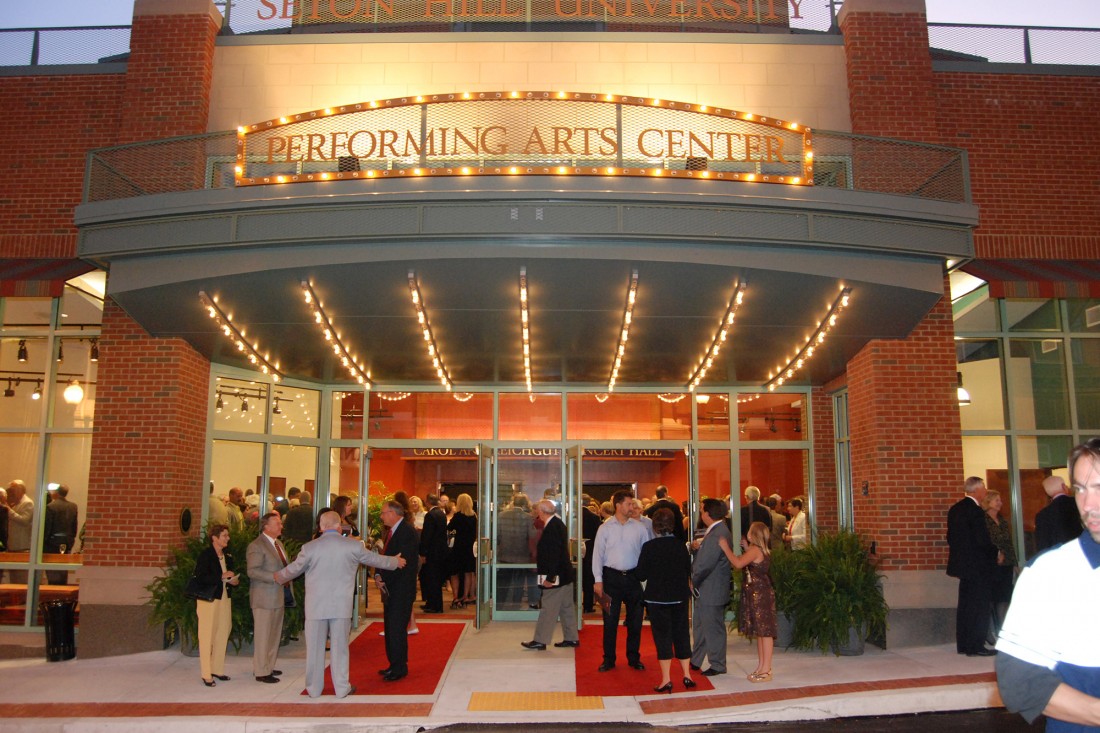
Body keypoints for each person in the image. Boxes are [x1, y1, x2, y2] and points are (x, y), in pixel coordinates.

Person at [996, 438, 1100, 731]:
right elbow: (1020, 681)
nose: (1088, 504)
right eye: (1080, 489)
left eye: (1099, 488)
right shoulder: (1051, 573)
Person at [275, 509, 405, 698]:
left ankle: (313, 689)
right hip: (341, 606)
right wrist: (395, 561)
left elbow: (294, 570)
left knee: (314, 650)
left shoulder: (310, 548)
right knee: (340, 649)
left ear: (321, 527)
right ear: (339, 526)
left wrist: (277, 576)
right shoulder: (352, 546)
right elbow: (374, 559)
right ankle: (342, 688)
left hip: (316, 607)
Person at [591, 489, 653, 672]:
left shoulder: (640, 528)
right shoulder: (605, 528)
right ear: (618, 505)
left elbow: (646, 555)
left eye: (632, 504)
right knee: (610, 622)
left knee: (635, 622)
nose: (632, 507)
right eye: (629, 503)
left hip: (633, 579)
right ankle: (608, 659)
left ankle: (634, 658)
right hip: (610, 579)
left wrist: (645, 578)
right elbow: (597, 556)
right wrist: (598, 580)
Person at [635, 508, 695, 693]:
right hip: (679, 597)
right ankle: (687, 675)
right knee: (682, 634)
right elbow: (688, 570)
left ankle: (666, 679)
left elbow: (641, 574)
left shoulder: (649, 547)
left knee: (663, 638)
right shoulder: (680, 546)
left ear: (655, 527)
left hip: (657, 598)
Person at [946, 476, 999, 657]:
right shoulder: (975, 511)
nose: (984, 492)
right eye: (983, 488)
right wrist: (995, 552)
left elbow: (950, 538)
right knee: (979, 605)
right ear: (976, 490)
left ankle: (964, 643)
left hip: (963, 566)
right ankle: (976, 645)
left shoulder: (955, 509)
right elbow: (981, 540)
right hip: (978, 566)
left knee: (966, 605)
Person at [718, 521, 777, 682]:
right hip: (758, 593)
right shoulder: (756, 549)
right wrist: (745, 548)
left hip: (760, 594)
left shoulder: (755, 550)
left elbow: (737, 563)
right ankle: (762, 666)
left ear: (753, 534)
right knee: (761, 632)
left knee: (765, 632)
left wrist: (725, 548)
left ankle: (766, 669)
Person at [520, 499, 579, 651]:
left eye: (537, 511)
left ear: (541, 512)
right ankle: (571, 637)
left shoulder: (552, 527)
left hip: (556, 576)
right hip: (565, 574)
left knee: (548, 608)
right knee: (567, 608)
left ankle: (540, 640)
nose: (536, 513)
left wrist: (550, 578)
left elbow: (554, 555)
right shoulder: (558, 524)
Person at [375, 499, 420, 682]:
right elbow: (386, 557)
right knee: (391, 627)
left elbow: (401, 562)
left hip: (400, 589)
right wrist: (378, 576)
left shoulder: (406, 532)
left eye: (384, 512)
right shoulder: (392, 531)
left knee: (396, 629)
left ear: (394, 513)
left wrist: (383, 577)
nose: (381, 516)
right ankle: (393, 664)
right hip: (391, 587)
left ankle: (399, 667)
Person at [690, 497, 733, 676]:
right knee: (701, 625)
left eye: (702, 511)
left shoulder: (717, 533)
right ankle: (696, 659)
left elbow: (705, 564)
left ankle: (717, 664)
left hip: (711, 588)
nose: (701, 513)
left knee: (712, 628)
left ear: (708, 514)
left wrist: (693, 580)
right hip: (709, 588)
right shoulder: (717, 530)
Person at [247, 512, 290, 683]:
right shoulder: (257, 546)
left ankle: (268, 666)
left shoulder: (278, 543)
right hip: (263, 598)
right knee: (263, 635)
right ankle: (261, 670)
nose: (281, 526)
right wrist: (275, 576)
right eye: (277, 523)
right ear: (267, 526)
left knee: (273, 634)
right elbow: (252, 571)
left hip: (277, 596)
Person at [195, 523, 240, 687]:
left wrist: (233, 580)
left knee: (223, 630)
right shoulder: (206, 555)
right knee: (207, 635)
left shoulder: (227, 556)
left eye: (227, 535)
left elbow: (230, 575)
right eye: (224, 536)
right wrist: (221, 576)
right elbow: (200, 577)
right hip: (209, 600)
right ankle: (206, 673)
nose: (227, 538)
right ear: (215, 538)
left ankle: (217, 668)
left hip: (224, 598)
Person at [982, 489, 1016, 641]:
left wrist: (1014, 562)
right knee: (989, 598)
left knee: (1003, 598)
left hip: (1006, 565)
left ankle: (1003, 631)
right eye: (997, 500)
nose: (1000, 503)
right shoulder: (983, 520)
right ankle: (988, 632)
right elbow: (985, 543)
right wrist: (996, 554)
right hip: (991, 565)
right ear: (988, 502)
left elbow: (1008, 543)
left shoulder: (1002, 520)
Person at [498, 492, 535, 608]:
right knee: (518, 584)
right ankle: (516, 605)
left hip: (505, 554)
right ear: (525, 504)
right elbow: (531, 536)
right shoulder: (528, 517)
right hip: (522, 555)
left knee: (504, 582)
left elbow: (497, 535)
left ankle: (500, 605)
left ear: (513, 502)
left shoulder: (501, 515)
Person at [1034, 475, 1081, 552]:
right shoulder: (1079, 504)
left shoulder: (1042, 515)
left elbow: (1042, 546)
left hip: (1057, 558)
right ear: (1064, 486)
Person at [418, 493, 448, 614]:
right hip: (440, 551)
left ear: (428, 502)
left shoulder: (430, 515)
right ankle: (432, 603)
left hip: (432, 552)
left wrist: (423, 552)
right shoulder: (441, 514)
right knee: (435, 578)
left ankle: (435, 606)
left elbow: (427, 535)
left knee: (432, 579)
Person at [43, 483, 78, 584]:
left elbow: (47, 528)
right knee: (63, 570)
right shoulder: (73, 506)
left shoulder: (50, 507)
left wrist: (44, 543)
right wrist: (71, 540)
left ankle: (53, 592)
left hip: (52, 543)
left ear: (56, 493)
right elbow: (74, 526)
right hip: (67, 542)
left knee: (52, 570)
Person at [447, 493, 477, 608]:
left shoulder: (458, 516)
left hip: (458, 547)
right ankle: (465, 596)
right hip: (469, 548)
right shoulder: (474, 516)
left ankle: (455, 597)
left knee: (455, 573)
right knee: (468, 573)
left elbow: (449, 528)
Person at [6, 480, 34, 584]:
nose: (11, 492)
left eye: (13, 489)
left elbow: (24, 520)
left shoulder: (27, 503)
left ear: (21, 490)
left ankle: (23, 600)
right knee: (14, 580)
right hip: (13, 547)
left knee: (22, 580)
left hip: (22, 547)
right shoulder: (14, 503)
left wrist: (8, 510)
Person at [580, 495, 602, 613]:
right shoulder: (594, 518)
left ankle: (575, 603)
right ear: (589, 503)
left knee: (576, 578)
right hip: (591, 552)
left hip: (574, 552)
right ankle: (588, 606)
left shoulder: (573, 516)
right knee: (589, 580)